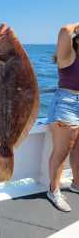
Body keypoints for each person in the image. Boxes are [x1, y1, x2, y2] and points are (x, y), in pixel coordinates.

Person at [46, 22, 79, 212]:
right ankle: (53, 190)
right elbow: (65, 30)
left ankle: (76, 183)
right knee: (62, 152)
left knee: (78, 150)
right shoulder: (67, 56)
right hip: (67, 105)